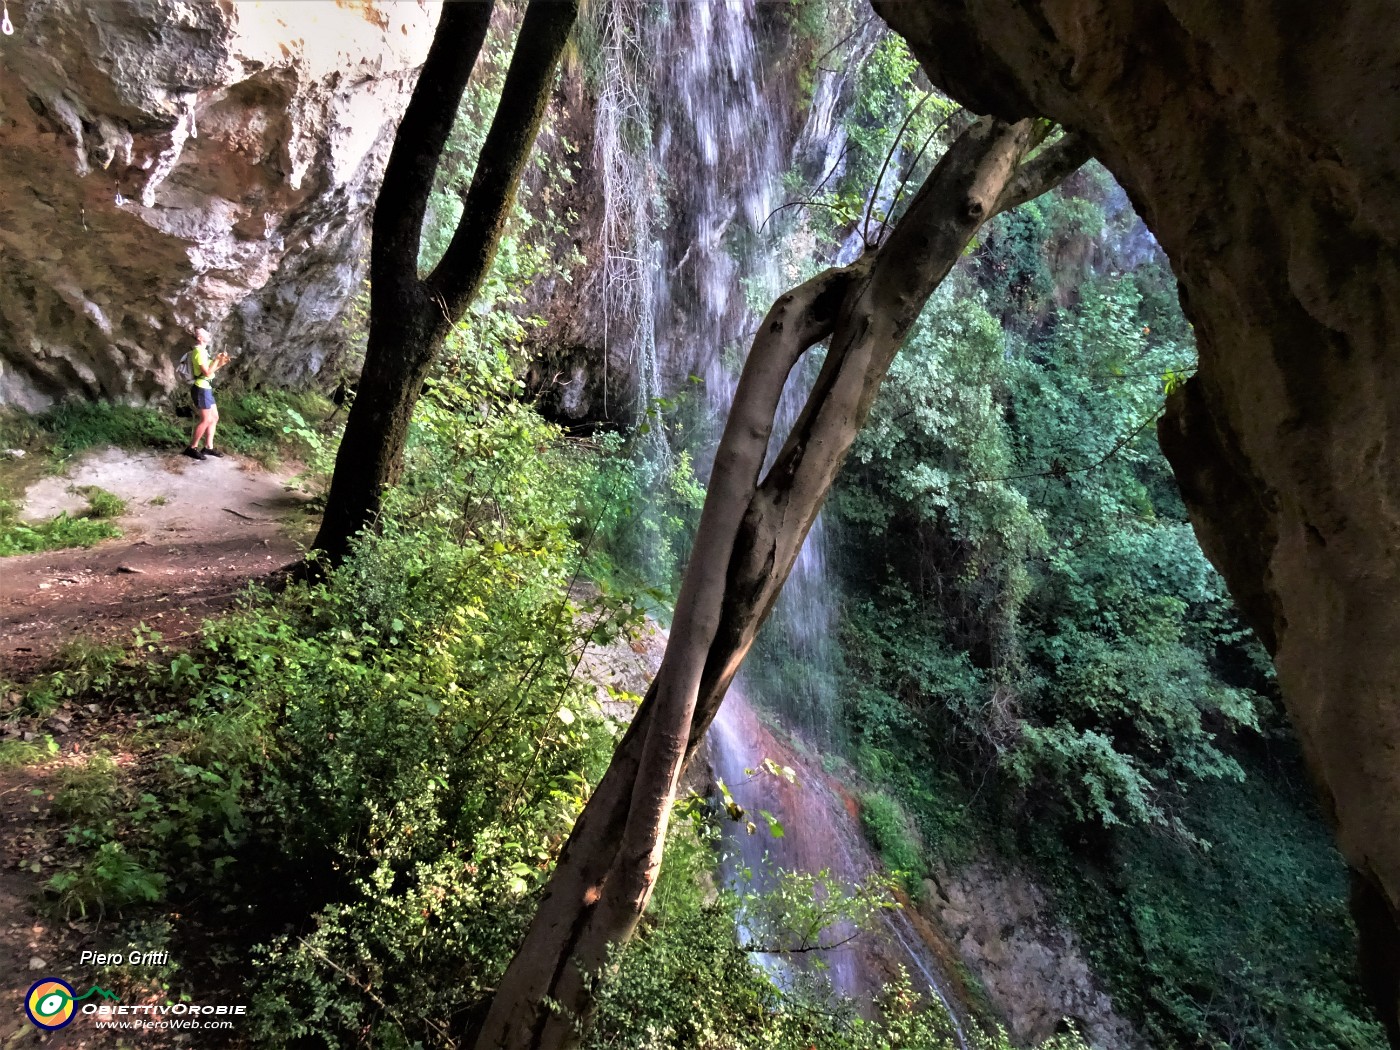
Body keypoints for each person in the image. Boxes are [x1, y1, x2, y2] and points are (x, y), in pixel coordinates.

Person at [183, 328, 230, 460]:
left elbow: (211, 370)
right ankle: (191, 448)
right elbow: (207, 373)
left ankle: (208, 447)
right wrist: (216, 360)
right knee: (206, 419)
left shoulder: (204, 351)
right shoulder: (198, 352)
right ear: (199, 338)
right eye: (204, 333)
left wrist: (221, 362)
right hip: (201, 389)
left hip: (206, 387)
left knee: (214, 417)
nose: (208, 334)